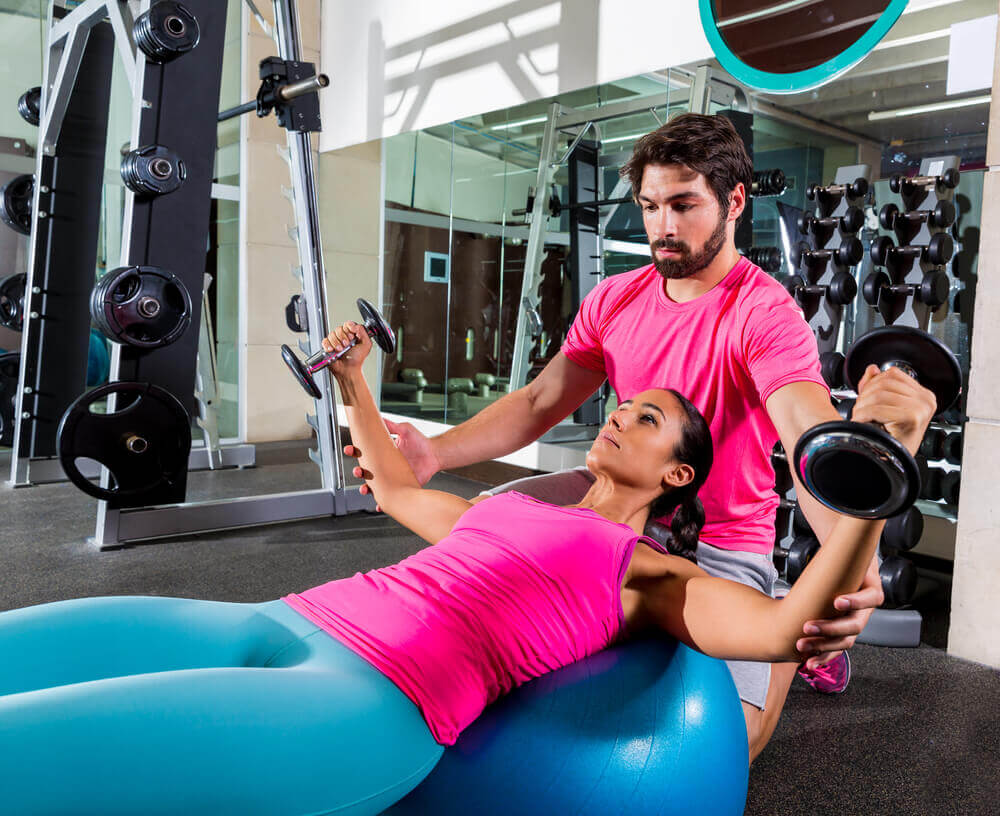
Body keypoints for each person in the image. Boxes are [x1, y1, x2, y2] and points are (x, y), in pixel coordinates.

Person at [0, 321, 932, 814]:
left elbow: (780, 627)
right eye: (622, 404)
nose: (618, 413)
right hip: (278, 619)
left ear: (677, 476)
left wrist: (878, 461)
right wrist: (353, 380)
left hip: (363, 702)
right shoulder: (512, 507)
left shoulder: (650, 574)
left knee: (27, 748)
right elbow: (398, 489)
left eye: (646, 418)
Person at [355, 113, 939, 760]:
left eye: (683, 205)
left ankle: (782, 629)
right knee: (485, 526)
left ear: (734, 201)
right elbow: (541, 400)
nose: (662, 226)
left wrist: (849, 564)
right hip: (620, 496)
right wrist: (435, 452)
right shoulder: (615, 299)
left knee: (729, 747)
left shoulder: (764, 314)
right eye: (651, 206)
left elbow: (808, 445)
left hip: (720, 533)